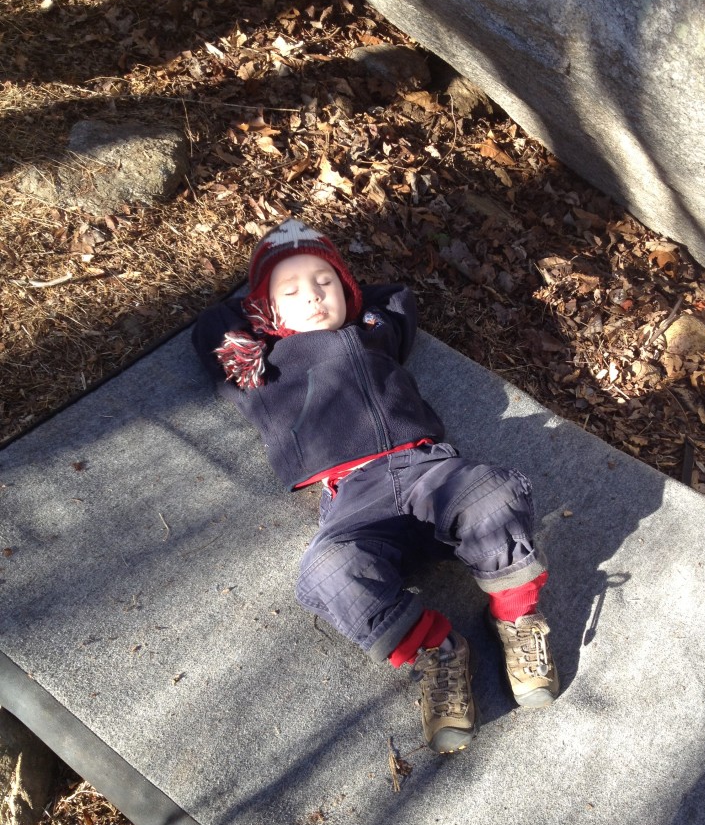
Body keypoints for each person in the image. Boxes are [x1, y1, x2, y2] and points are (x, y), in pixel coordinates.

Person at [193, 216, 559, 754]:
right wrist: (259, 325)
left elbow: (397, 299)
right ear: (266, 310)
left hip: (427, 470)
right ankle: (437, 650)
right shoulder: (259, 371)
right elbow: (209, 325)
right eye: (290, 292)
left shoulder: (373, 331)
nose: (313, 297)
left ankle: (515, 616)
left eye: (325, 282)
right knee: (327, 572)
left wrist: (352, 302)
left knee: (493, 493)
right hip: (353, 500)